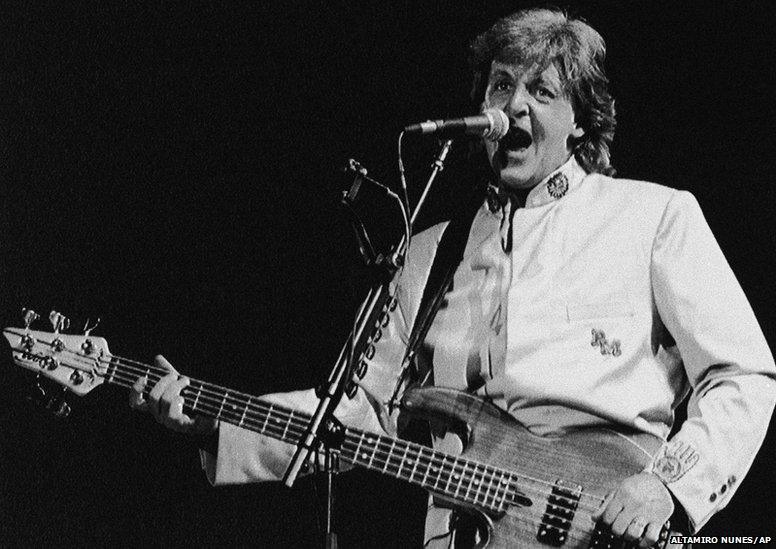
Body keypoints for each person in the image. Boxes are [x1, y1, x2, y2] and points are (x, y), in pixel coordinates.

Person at [130, 8, 776, 548]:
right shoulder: (429, 252)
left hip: (604, 522)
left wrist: (665, 484)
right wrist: (214, 420)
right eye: (500, 86)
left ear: (580, 118)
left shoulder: (651, 214)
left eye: (541, 91)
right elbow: (358, 411)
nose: (513, 106)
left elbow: (742, 376)